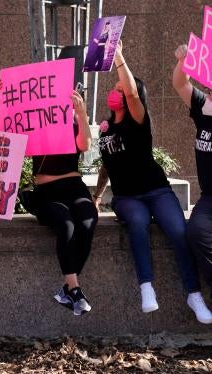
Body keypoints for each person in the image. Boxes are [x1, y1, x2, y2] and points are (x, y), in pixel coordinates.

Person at [94, 41, 212, 323]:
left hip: (157, 190)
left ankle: (193, 294)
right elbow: (107, 167)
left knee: (179, 230)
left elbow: (133, 94)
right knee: (137, 222)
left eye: (120, 89)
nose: (116, 92)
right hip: (127, 198)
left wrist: (119, 56)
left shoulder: (139, 119)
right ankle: (146, 287)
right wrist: (97, 196)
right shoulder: (106, 130)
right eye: (116, 89)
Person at [0, 78, 98, 316]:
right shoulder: (33, 121)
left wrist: (81, 114)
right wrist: (4, 102)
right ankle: (73, 289)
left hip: (74, 187)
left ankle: (69, 288)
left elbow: (85, 145)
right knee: (66, 224)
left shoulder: (74, 121)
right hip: (46, 192)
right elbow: (6, 136)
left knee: (87, 222)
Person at [173, 44, 212, 300]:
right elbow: (179, 83)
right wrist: (183, 60)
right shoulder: (202, 105)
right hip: (209, 198)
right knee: (196, 231)